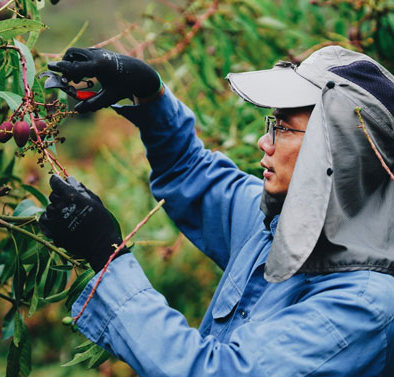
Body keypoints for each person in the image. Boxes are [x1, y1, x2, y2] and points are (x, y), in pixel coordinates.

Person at [39, 46, 394, 376]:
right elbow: (190, 171)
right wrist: (150, 94)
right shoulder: (276, 224)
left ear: (341, 153)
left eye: (284, 128)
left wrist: (107, 255)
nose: (264, 141)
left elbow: (218, 371)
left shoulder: (364, 306)